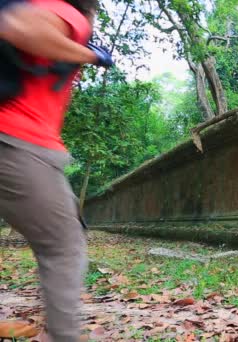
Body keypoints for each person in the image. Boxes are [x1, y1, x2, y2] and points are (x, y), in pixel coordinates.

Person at [0, 0, 112, 340]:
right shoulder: (68, 13)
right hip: (18, 142)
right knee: (64, 248)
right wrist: (92, 54)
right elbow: (15, 26)